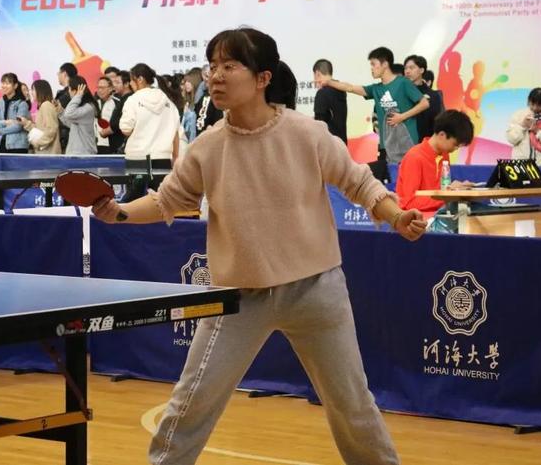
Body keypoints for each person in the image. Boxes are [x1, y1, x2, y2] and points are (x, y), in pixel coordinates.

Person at [93, 27, 425, 465]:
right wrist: (118, 212)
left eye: (229, 66)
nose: (215, 76)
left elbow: (360, 183)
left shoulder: (308, 134)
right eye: (213, 66)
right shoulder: (207, 147)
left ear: (263, 78)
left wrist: (396, 216)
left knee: (353, 406)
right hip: (238, 298)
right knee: (191, 402)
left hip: (315, 290)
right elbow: (167, 201)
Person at [326, 47, 429, 164]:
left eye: (373, 64)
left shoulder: (403, 82)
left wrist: (402, 117)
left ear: (385, 64)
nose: (371, 68)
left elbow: (424, 103)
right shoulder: (376, 89)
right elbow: (350, 88)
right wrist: (328, 81)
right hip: (387, 147)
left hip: (407, 144)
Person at [396, 110, 475, 220]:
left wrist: (455, 191)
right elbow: (409, 202)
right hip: (418, 221)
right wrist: (448, 195)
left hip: (440, 216)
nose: (456, 149)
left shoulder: (444, 155)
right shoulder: (414, 157)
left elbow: (441, 191)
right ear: (442, 135)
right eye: (455, 144)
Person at [120, 63, 181, 201]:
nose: (130, 84)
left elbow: (126, 129)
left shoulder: (133, 100)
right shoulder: (168, 102)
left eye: (131, 80)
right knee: (160, 202)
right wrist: (175, 158)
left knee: (133, 202)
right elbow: (176, 133)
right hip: (163, 159)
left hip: (137, 159)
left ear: (140, 79)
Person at [505, 88, 541, 166]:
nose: (535, 108)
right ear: (528, 100)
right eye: (532, 104)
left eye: (539, 105)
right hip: (521, 164)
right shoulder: (518, 114)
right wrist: (522, 126)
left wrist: (537, 130)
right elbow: (511, 139)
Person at [403, 55, 445, 140]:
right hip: (402, 143)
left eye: (411, 68)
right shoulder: (400, 93)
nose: (407, 71)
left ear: (421, 70)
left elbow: (439, 123)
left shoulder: (434, 96)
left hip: (425, 142)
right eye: (405, 68)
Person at [0, 73, 30, 154]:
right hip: (0, 144)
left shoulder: (22, 104)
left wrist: (1, 131)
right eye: (3, 83)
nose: (4, 86)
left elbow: (18, 126)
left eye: (8, 83)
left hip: (17, 146)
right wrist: (6, 122)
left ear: (15, 86)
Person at [20, 79, 61, 154]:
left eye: (33, 89)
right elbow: (40, 128)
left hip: (49, 153)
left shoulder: (46, 105)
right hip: (44, 152)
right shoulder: (43, 106)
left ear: (40, 91)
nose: (31, 92)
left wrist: (38, 143)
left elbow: (51, 129)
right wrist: (26, 123)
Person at [60, 76, 98, 155]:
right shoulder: (79, 106)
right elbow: (70, 123)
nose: (68, 92)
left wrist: (78, 96)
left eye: (69, 89)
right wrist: (59, 111)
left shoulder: (88, 107)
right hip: (76, 153)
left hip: (83, 154)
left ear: (74, 91)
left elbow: (69, 114)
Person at [312, 59, 347, 144]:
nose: (314, 80)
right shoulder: (341, 90)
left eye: (314, 76)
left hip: (328, 144)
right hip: (342, 143)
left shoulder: (322, 93)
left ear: (317, 73)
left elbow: (319, 123)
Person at [95, 76, 116, 154]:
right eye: (98, 88)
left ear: (110, 89)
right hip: (95, 144)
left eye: (102, 88)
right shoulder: (94, 103)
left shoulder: (116, 103)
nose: (100, 90)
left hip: (110, 144)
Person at [181, 69, 202, 143]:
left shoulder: (200, 101)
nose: (186, 84)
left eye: (189, 81)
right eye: (185, 82)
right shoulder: (186, 101)